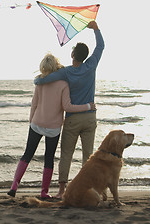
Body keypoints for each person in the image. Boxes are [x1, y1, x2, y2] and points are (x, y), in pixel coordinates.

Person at [7, 53, 96, 199]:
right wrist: (87, 106)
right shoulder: (63, 85)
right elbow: (67, 107)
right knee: (49, 158)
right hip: (53, 128)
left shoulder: (40, 82)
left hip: (36, 124)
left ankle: (14, 186)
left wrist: (32, 121)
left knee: (27, 154)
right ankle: (44, 192)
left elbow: (34, 104)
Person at [33, 21, 104, 198]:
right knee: (88, 156)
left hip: (73, 118)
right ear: (86, 56)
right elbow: (101, 46)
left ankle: (62, 191)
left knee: (66, 154)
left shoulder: (66, 72)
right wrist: (96, 29)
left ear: (72, 54)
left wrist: (36, 81)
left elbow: (45, 79)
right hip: (89, 117)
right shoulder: (91, 65)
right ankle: (89, 189)